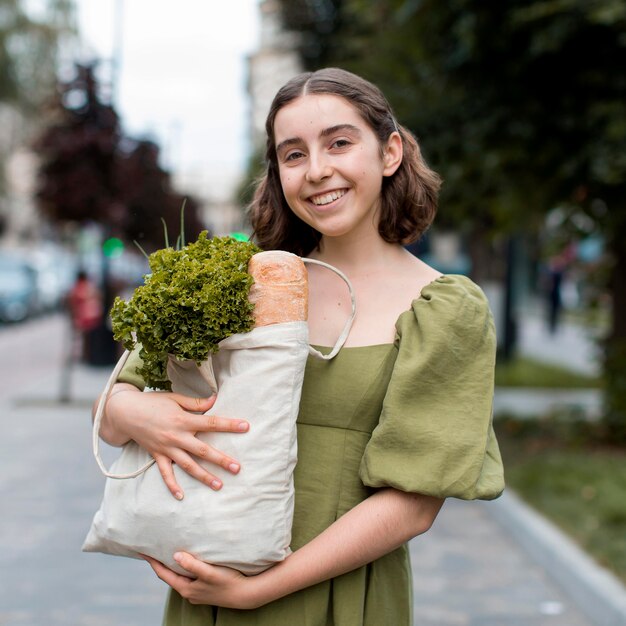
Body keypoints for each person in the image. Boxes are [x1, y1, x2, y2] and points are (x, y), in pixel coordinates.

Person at [97, 67, 504, 625]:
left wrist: (260, 592)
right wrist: (134, 411)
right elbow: (113, 410)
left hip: (342, 596)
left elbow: (413, 504)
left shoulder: (445, 310)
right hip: (212, 585)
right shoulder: (236, 280)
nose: (317, 171)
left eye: (339, 142)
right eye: (293, 154)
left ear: (389, 153)